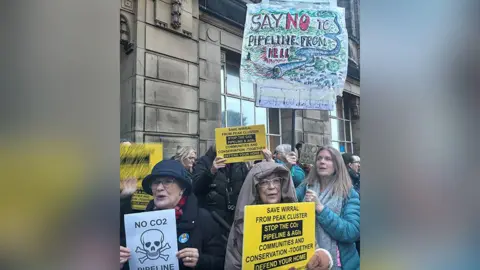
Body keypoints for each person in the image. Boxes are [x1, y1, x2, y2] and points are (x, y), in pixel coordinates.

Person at [225, 161, 333, 270]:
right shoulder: (243, 223)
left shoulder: (297, 216)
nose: (271, 187)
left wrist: (322, 256)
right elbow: (233, 265)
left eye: (276, 181)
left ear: (283, 185)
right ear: (256, 188)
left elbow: (311, 248)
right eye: (264, 182)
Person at [120, 160, 225, 270]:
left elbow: (221, 262)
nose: (160, 188)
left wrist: (200, 261)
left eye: (168, 181)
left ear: (182, 189)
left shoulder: (203, 219)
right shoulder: (139, 222)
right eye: (156, 182)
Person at [297, 146, 360, 270]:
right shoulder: (304, 188)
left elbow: (352, 232)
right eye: (319, 158)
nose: (322, 162)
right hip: (308, 261)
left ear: (337, 164)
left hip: (340, 264)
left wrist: (320, 208)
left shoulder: (348, 193)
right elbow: (286, 200)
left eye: (328, 159)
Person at [191, 144, 249, 227]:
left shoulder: (240, 164)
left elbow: (249, 185)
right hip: (213, 218)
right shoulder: (205, 161)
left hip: (236, 218)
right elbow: (196, 187)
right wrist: (211, 172)